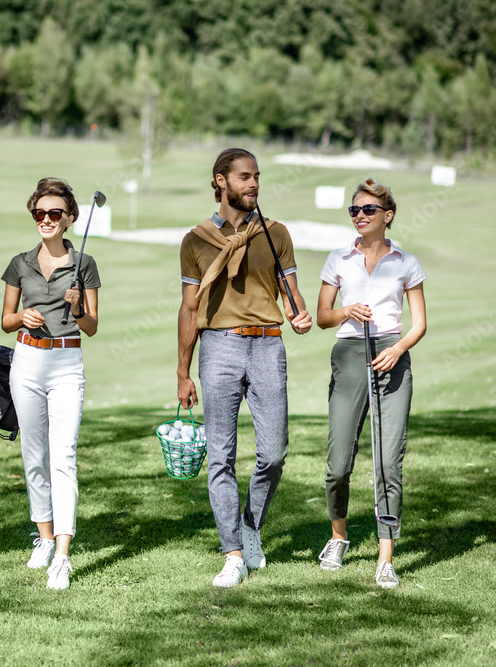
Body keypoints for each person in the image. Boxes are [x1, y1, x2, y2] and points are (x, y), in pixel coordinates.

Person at [177, 148, 312, 588]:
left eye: (256, 177)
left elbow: (293, 295)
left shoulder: (275, 233)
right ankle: (232, 552)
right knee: (221, 456)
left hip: (269, 347)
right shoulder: (196, 240)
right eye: (244, 177)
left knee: (274, 453)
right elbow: (189, 306)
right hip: (218, 348)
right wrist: (183, 371)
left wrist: (300, 315)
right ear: (220, 181)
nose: (253, 184)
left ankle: (250, 524)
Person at [315, 178, 426, 589]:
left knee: (387, 463)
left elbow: (420, 324)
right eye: (354, 210)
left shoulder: (406, 262)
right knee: (339, 462)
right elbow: (322, 316)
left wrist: (397, 350)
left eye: (368, 210)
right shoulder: (338, 259)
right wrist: (346, 310)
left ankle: (385, 558)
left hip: (391, 358)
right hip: (348, 354)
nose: (359, 216)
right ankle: (339, 537)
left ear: (387, 216)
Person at [0, 177, 100, 590]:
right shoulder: (20, 263)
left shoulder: (85, 264)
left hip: (65, 361)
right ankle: (42, 537)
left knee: (64, 456)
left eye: (54, 213)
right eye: (39, 213)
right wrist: (21, 317)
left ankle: (62, 555)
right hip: (26, 359)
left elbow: (92, 327)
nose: (46, 219)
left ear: (69, 218)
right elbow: (5, 319)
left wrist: (77, 308)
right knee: (34, 453)